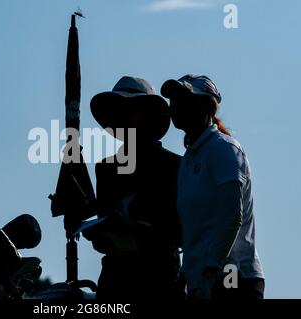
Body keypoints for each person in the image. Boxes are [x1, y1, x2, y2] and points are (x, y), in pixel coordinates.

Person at [160, 74, 265, 299]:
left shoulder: (223, 149)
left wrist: (209, 273)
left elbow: (231, 218)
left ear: (207, 106)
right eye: (174, 100)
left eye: (184, 100)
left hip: (233, 279)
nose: (175, 106)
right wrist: (188, 275)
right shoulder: (190, 158)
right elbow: (196, 230)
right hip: (206, 281)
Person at [84, 76, 183, 300]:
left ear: (148, 115)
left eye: (130, 110)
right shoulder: (106, 169)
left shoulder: (174, 167)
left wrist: (137, 228)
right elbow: (102, 242)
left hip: (159, 281)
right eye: (117, 112)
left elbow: (182, 234)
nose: (122, 118)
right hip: (115, 281)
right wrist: (92, 229)